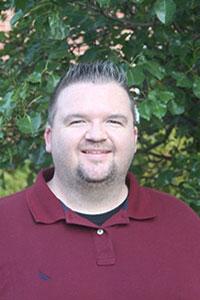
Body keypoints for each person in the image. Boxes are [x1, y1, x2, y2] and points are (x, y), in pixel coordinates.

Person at [0, 61, 200, 300]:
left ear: (134, 138)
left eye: (113, 121)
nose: (96, 135)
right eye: (78, 121)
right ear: (49, 138)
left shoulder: (183, 223)